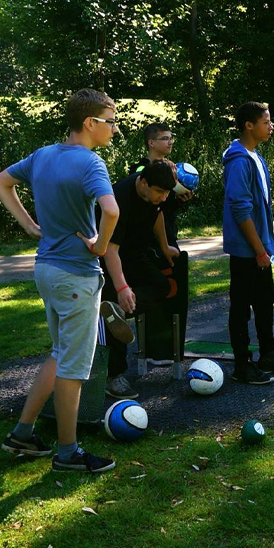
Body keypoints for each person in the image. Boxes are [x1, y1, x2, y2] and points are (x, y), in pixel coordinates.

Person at [0, 88, 128, 473]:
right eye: (111, 121)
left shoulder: (42, 156)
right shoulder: (90, 164)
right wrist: (100, 246)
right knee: (73, 366)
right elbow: (112, 211)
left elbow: (0, 182)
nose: (115, 129)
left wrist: (30, 226)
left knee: (59, 353)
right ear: (90, 123)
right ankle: (68, 453)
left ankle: (23, 432)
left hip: (47, 270)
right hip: (75, 276)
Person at [222, 102, 274, 383]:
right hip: (247, 250)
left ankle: (268, 354)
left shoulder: (256, 157)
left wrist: (269, 246)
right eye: (266, 122)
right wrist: (258, 250)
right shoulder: (239, 160)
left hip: (261, 248)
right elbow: (240, 209)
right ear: (249, 125)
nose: (271, 126)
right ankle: (241, 366)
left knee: (265, 301)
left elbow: (260, 208)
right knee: (241, 306)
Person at [99, 160, 186, 399]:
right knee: (115, 310)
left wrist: (164, 245)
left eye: (168, 192)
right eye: (160, 192)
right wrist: (122, 287)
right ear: (144, 182)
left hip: (135, 253)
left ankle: (119, 312)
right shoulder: (119, 199)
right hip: (109, 257)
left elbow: (157, 214)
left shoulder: (156, 196)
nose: (164, 197)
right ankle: (113, 377)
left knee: (161, 286)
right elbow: (110, 250)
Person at [131, 122, 193, 256]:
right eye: (165, 139)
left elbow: (166, 206)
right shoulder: (141, 170)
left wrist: (180, 201)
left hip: (169, 236)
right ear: (151, 143)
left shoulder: (172, 169)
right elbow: (144, 207)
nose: (170, 142)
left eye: (171, 138)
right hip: (148, 241)